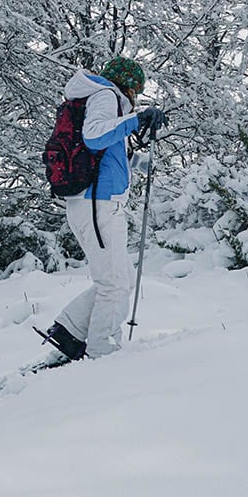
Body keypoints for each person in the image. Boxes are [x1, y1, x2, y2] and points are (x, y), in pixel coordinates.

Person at [39, 56, 165, 363]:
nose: (135, 100)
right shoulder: (107, 96)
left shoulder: (99, 99)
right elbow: (94, 137)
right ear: (130, 87)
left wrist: (137, 163)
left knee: (117, 280)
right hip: (98, 205)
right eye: (137, 92)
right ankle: (102, 355)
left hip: (97, 203)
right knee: (113, 284)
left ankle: (70, 331)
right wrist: (136, 120)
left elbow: (103, 155)